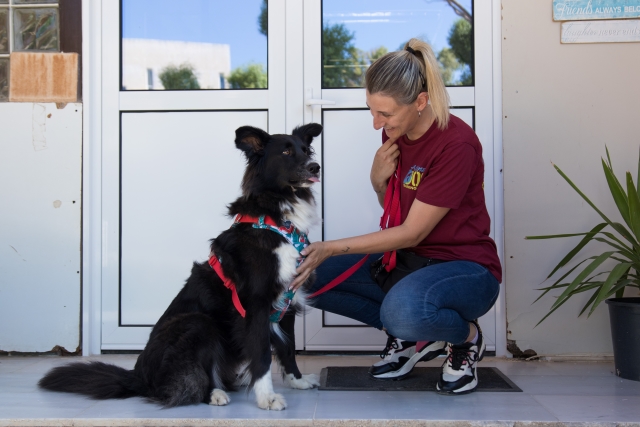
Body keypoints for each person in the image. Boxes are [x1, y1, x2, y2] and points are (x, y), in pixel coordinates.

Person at [290, 38, 501, 395]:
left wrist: (332, 247)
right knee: (303, 275)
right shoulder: (395, 137)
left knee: (403, 312)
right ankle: (411, 340)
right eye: (372, 111)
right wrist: (377, 181)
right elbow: (397, 213)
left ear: (420, 102)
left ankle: (465, 338)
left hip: (464, 268)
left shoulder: (455, 144)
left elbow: (412, 232)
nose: (376, 123)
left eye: (385, 113)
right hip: (408, 261)